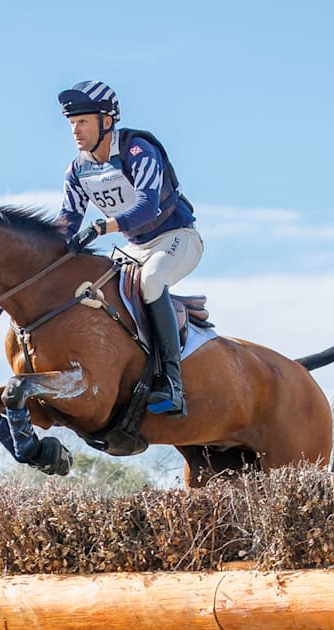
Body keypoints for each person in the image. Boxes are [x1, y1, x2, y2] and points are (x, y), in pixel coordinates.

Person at [56, 80, 203, 416]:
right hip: (133, 248)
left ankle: (172, 383)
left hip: (176, 238)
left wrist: (100, 227)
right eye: (72, 124)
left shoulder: (139, 151)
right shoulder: (78, 170)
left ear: (107, 121)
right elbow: (67, 222)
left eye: (83, 122)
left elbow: (146, 208)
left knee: (151, 281)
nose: (76, 131)